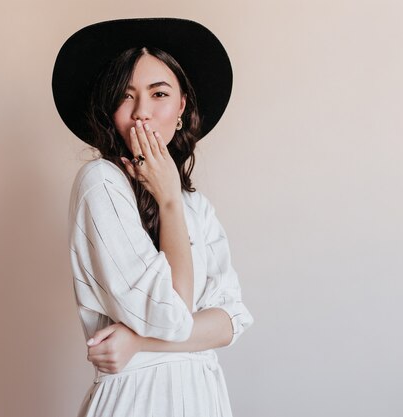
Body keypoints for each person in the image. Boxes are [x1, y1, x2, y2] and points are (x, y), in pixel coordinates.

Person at [52, 18, 254, 417]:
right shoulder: (101, 184)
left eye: (158, 93)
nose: (142, 113)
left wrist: (138, 342)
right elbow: (174, 317)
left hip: (203, 398)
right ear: (110, 110)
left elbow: (233, 320)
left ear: (181, 107)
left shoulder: (196, 206)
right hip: (138, 399)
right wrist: (168, 203)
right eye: (126, 97)